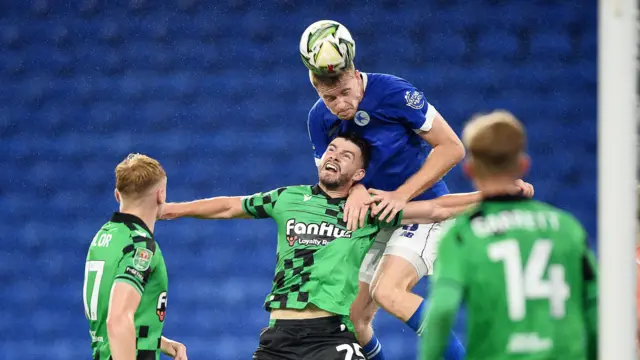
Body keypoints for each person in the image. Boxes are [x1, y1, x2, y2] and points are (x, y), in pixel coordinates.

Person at [161, 133, 526, 360]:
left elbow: (435, 208)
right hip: (278, 337)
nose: (334, 156)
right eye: (332, 149)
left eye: (346, 155)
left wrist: (494, 194)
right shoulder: (287, 198)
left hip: (329, 337)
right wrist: (173, 210)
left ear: (359, 175)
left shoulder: (368, 210)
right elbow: (228, 205)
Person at [419, 111, 598, 360]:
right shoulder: (567, 228)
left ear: (469, 170)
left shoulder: (461, 235)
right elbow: (594, 305)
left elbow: (442, 309)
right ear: (523, 164)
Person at [83, 154, 187, 360]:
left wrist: (158, 341)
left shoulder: (105, 235)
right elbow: (118, 319)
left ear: (117, 195)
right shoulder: (141, 247)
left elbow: (110, 309)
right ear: (161, 195)